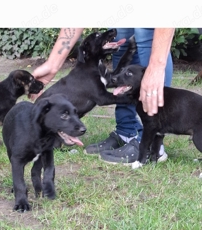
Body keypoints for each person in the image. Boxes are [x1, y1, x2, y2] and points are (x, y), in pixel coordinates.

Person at [33, 28, 175, 164]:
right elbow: (103, 98)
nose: (104, 35)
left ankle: (153, 145)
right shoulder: (85, 74)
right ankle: (126, 132)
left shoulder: (94, 69)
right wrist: (131, 99)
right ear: (86, 52)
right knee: (123, 33)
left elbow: (114, 78)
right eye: (97, 37)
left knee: (146, 34)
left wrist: (131, 53)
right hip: (44, 126)